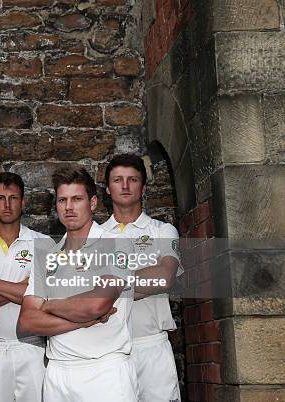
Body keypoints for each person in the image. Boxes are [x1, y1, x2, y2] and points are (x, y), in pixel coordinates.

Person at [18, 167, 138, 402]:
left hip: (106, 371)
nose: (69, 207)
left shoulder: (116, 244)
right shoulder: (47, 255)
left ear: (92, 202)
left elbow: (97, 305)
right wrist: (84, 321)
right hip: (58, 373)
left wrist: (49, 305)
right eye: (62, 200)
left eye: (77, 199)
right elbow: (28, 320)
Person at [101, 154, 182, 402]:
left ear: (143, 188)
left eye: (132, 179)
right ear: (107, 188)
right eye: (118, 180)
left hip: (152, 346)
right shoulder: (96, 236)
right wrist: (142, 283)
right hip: (109, 349)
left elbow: (164, 278)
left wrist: (110, 289)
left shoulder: (162, 231)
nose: (125, 186)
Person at [0, 172, 53, 402]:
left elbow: (47, 297)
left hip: (32, 347)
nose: (7, 205)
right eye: (0, 198)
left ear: (23, 202)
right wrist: (27, 287)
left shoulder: (44, 244)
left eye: (13, 198)